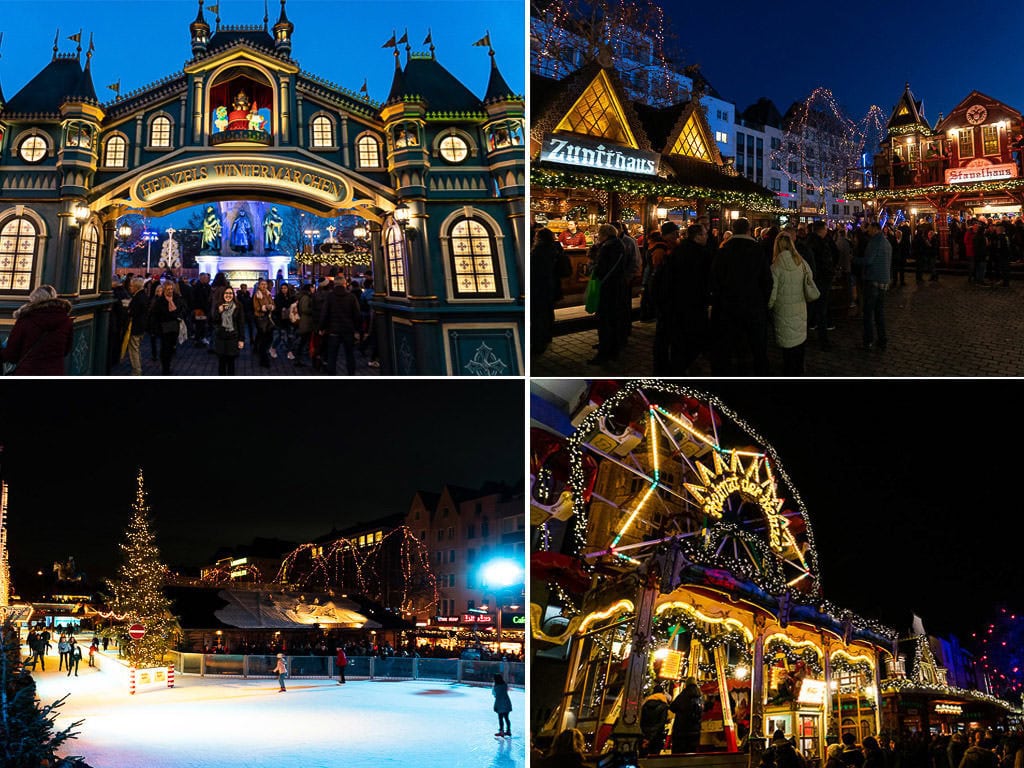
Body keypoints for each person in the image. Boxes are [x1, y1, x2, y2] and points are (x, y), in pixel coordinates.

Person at [708, 217, 773, 375]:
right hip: (753, 306)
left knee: (727, 346)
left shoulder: (724, 250)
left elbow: (714, 279)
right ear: (748, 230)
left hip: (728, 306)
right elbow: (767, 280)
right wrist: (763, 301)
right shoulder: (757, 250)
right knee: (757, 347)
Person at [652, 223, 709, 375]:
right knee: (689, 338)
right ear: (698, 236)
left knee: (674, 338)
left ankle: (667, 367)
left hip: (673, 302)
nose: (707, 237)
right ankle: (677, 367)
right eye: (705, 234)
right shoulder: (700, 254)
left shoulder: (678, 251)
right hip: (690, 302)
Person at [768, 231, 815, 375]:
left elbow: (772, 294)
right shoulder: (801, 262)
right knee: (800, 345)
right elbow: (810, 279)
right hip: (800, 309)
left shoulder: (775, 267)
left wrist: (768, 306)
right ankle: (800, 371)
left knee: (788, 350)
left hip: (783, 312)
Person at [2, 285, 73, 375]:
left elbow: (11, 353)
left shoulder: (26, 319)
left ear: (34, 300)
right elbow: (66, 350)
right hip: (55, 372)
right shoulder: (66, 321)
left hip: (28, 372)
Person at [588, 223, 628, 365]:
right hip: (617, 287)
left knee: (604, 321)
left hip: (606, 288)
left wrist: (592, 261)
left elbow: (599, 270)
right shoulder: (620, 245)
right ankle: (614, 350)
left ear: (603, 235)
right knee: (613, 320)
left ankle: (603, 353)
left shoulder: (607, 248)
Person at [531, 227, 571, 355]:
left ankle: (539, 343)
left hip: (540, 287)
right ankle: (547, 336)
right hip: (553, 285)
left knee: (539, 315)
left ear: (539, 238)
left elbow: (536, 271)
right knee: (548, 312)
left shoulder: (539, 251)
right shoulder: (556, 248)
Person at [854, 221, 892, 351]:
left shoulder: (874, 242)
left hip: (873, 280)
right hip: (884, 280)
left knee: (868, 312)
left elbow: (868, 260)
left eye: (869, 228)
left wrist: (853, 259)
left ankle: (868, 340)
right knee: (879, 313)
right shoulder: (886, 242)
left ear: (875, 229)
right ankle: (882, 339)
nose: (867, 230)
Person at [319, 276, 362, 375]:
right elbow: (357, 314)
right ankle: (351, 374)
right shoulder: (351, 297)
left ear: (334, 284)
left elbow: (324, 313)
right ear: (344, 284)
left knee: (332, 355)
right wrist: (358, 330)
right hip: (348, 329)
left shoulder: (330, 297)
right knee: (349, 354)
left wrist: (321, 327)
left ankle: (332, 374)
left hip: (333, 330)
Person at [149, 281, 183, 375]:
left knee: (172, 346)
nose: (170, 291)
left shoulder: (176, 299)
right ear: (164, 290)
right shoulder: (160, 301)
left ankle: (168, 363)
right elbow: (155, 314)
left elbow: (181, 310)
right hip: (164, 326)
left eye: (171, 289)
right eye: (168, 289)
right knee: (165, 348)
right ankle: (165, 367)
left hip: (174, 326)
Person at [212, 286, 245, 375]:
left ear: (233, 295)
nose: (228, 295)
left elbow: (241, 323)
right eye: (226, 293)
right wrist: (219, 312)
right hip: (221, 337)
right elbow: (213, 321)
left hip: (233, 337)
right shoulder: (218, 305)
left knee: (231, 362)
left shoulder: (238, 306)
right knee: (221, 362)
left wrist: (241, 339)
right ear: (223, 295)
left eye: (230, 293)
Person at [670, 676, 704, 754]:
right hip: (695, 729)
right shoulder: (700, 696)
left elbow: (672, 707)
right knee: (692, 752)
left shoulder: (683, 695)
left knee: (679, 753)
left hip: (681, 729)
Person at [640, 685, 671, 756]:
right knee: (654, 756)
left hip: (644, 734)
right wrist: (652, 736)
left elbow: (641, 720)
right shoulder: (664, 706)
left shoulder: (645, 704)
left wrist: (646, 736)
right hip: (657, 736)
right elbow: (662, 722)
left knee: (642, 757)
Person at [252, 278, 275, 367]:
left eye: (265, 284)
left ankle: (263, 356)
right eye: (262, 284)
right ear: (259, 285)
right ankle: (263, 359)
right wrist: (265, 307)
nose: (264, 286)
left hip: (268, 318)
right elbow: (256, 307)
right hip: (261, 318)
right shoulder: (257, 295)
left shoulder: (268, 294)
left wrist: (271, 307)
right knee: (263, 339)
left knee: (268, 338)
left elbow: (273, 304)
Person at [492, 673, 512, 738]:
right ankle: (508, 731)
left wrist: (495, 706)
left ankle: (501, 731)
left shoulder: (496, 687)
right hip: (507, 702)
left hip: (500, 703)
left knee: (500, 718)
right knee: (506, 718)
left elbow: (495, 695)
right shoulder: (505, 685)